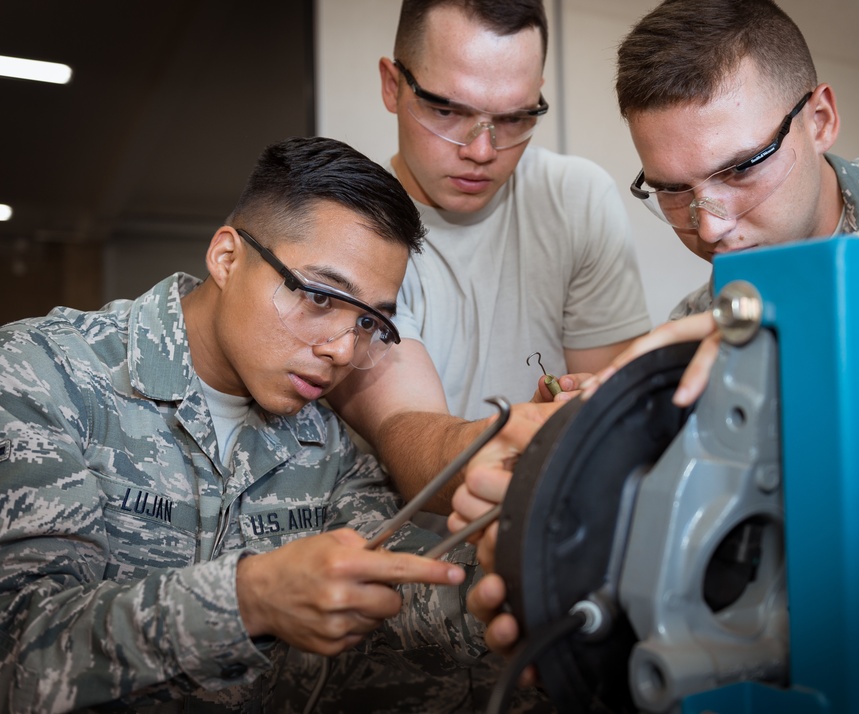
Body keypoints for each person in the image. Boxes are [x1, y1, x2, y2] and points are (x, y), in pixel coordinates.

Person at [453, 0, 859, 711]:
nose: (709, 228)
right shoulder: (694, 341)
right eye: (673, 191)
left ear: (821, 119)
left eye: (740, 169)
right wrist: (541, 528)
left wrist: (793, 300)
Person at [0, 136, 497, 713]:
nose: (341, 348)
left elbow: (397, 579)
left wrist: (512, 578)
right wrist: (248, 599)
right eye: (318, 297)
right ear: (227, 258)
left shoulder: (326, 437)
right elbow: (19, 652)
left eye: (368, 322)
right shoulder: (41, 375)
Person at [327, 0, 652, 515]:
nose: (482, 150)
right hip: (396, 571)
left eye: (515, 117)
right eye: (448, 111)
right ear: (393, 85)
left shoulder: (576, 198)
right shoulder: (346, 229)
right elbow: (409, 438)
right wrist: (529, 438)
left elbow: (613, 424)